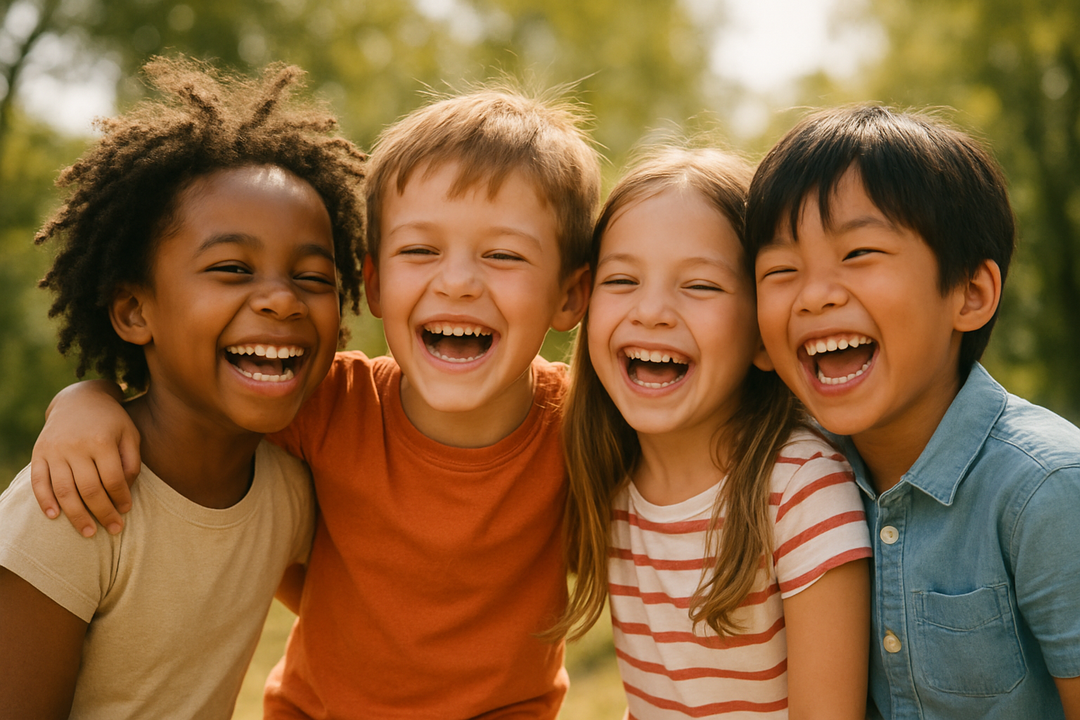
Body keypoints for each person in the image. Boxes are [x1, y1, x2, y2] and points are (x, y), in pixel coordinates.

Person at [28, 84, 599, 718]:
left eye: (503, 254)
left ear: (571, 297)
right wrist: (87, 398)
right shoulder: (329, 404)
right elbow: (193, 405)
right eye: (420, 250)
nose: (458, 281)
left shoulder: (583, 426)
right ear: (375, 283)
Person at [0, 56, 367, 719]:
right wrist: (83, 395)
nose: (282, 300)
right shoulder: (74, 502)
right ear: (135, 312)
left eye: (313, 277)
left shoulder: (287, 492)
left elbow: (374, 604)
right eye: (231, 267)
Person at [747, 104, 1080, 719]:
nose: (815, 294)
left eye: (859, 254)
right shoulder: (793, 481)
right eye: (781, 270)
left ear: (970, 294)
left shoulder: (1048, 490)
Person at [549, 146, 872, 719]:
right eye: (621, 279)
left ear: (761, 334)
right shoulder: (609, 481)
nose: (651, 311)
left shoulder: (799, 489)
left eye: (699, 287)